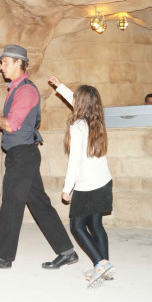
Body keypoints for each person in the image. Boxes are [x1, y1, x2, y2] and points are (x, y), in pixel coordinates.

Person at [0, 44, 77, 270]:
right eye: (2, 63)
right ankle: (67, 252)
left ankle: (4, 258)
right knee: (40, 204)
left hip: (23, 155)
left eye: (5, 62)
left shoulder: (25, 90)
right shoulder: (16, 89)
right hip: (23, 154)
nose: (1, 67)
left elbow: (10, 126)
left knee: (11, 205)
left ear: (19, 63)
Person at [49, 76, 115, 288]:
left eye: (76, 98)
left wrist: (67, 188)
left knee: (77, 226)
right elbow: (81, 102)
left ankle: (100, 264)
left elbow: (74, 162)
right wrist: (60, 86)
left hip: (87, 186)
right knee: (96, 225)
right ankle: (105, 266)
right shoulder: (97, 122)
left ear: (81, 104)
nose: (73, 101)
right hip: (103, 181)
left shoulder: (78, 126)